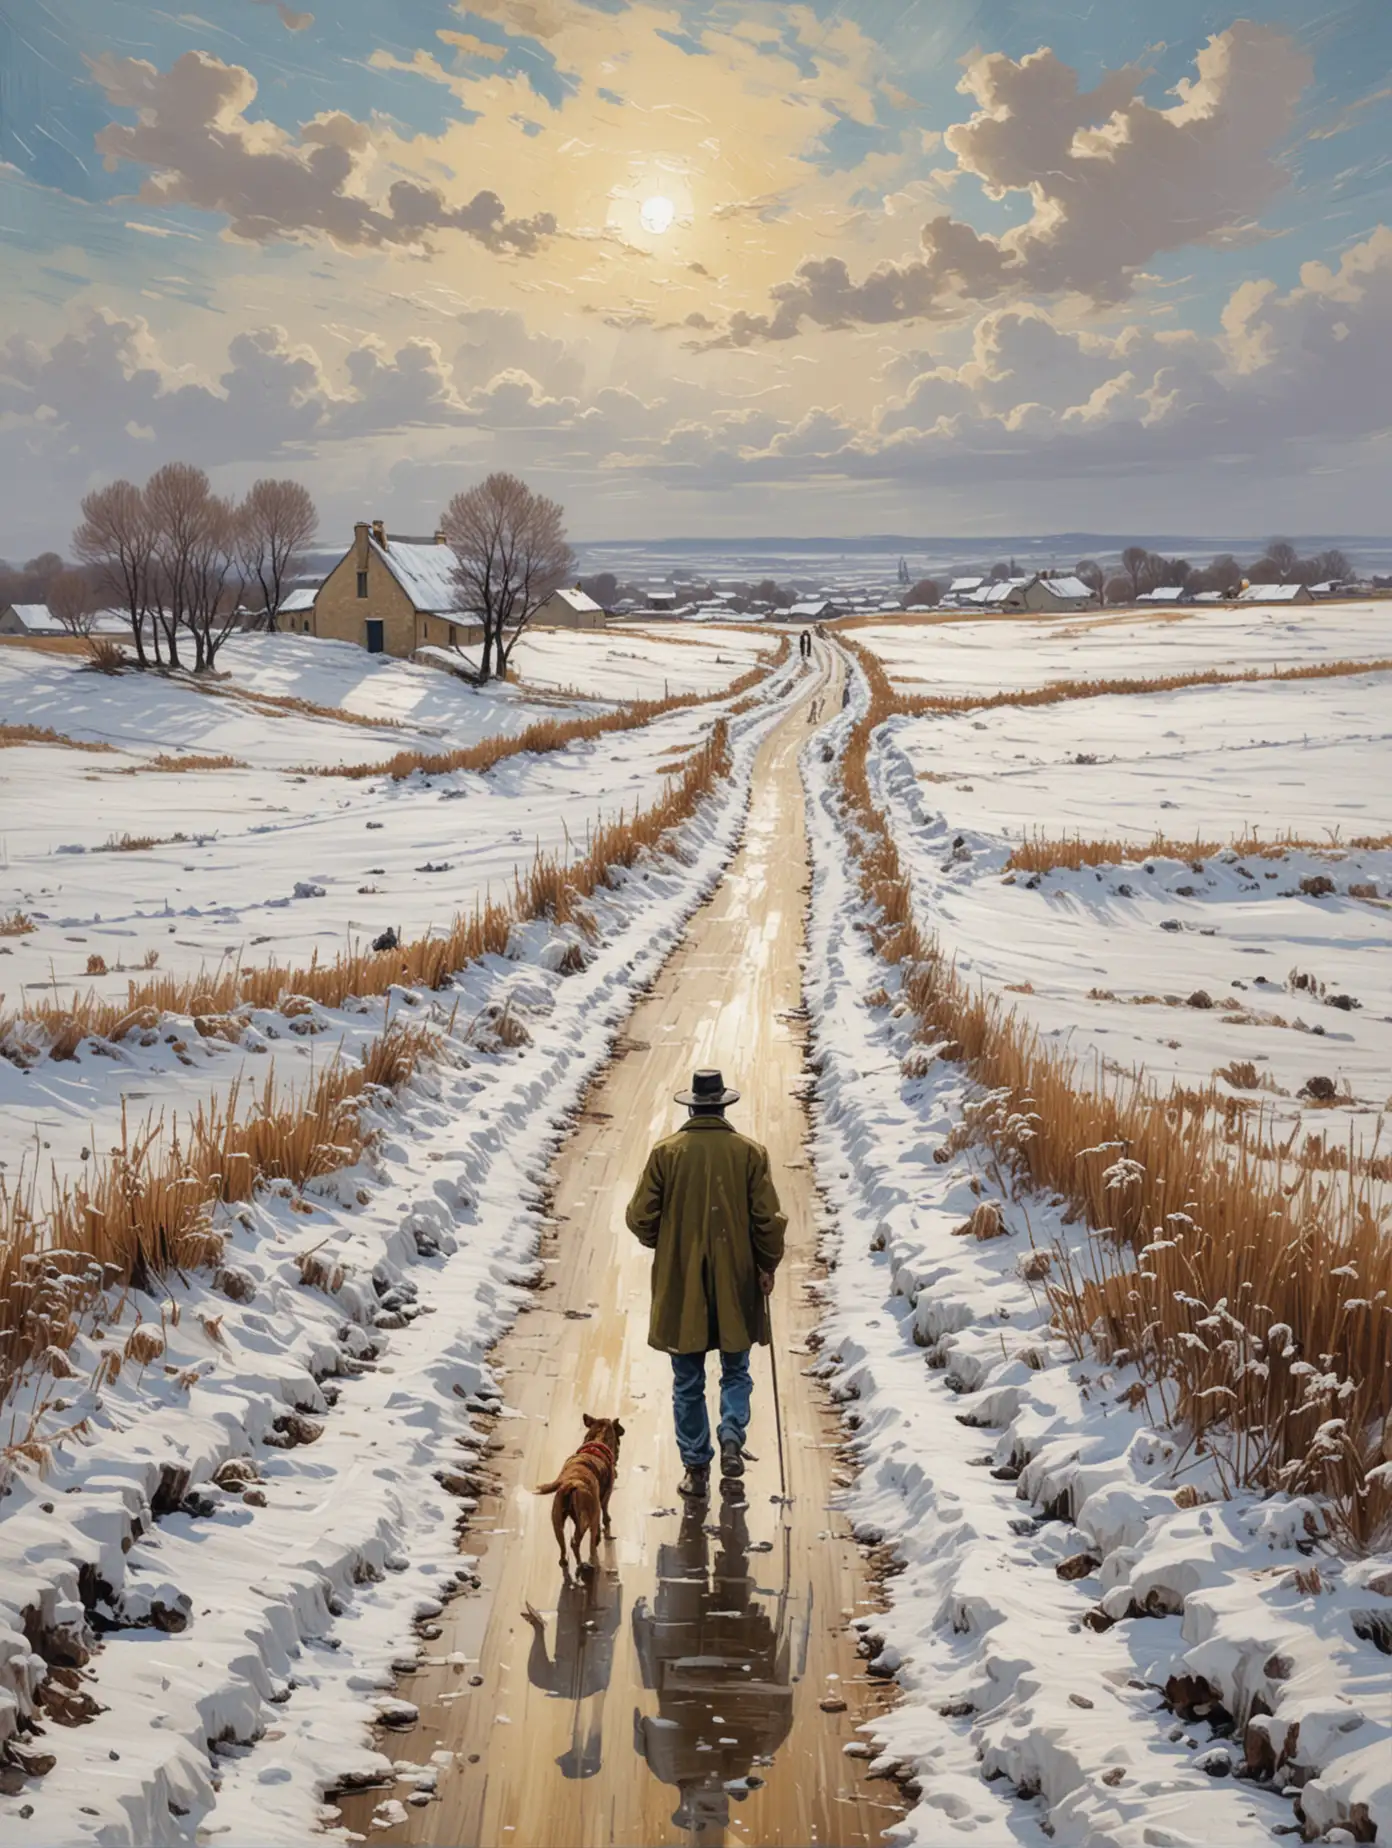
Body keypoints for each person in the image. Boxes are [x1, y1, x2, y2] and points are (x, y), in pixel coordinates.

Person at [625, 1068, 787, 1500]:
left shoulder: (666, 1153)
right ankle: (732, 1434)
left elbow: (639, 1217)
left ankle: (696, 1468)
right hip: (736, 1279)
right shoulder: (750, 1154)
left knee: (687, 1379)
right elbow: (766, 1221)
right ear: (723, 1106)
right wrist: (767, 1263)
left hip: (683, 1285)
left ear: (692, 1107)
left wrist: (668, 1241)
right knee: (736, 1368)